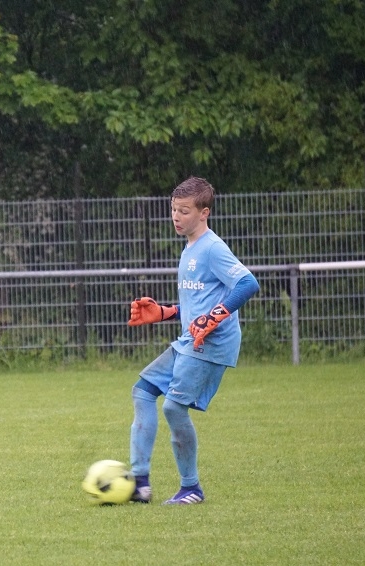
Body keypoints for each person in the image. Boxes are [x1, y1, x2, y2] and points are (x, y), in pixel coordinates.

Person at [126, 176, 260, 505]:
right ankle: (139, 483)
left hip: (210, 345)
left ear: (204, 213)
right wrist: (165, 312)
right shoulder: (189, 248)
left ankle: (191, 488)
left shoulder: (212, 248)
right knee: (142, 391)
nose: (176, 216)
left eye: (184, 211)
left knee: (173, 408)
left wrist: (214, 318)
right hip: (189, 340)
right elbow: (198, 304)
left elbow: (248, 284)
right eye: (174, 209)